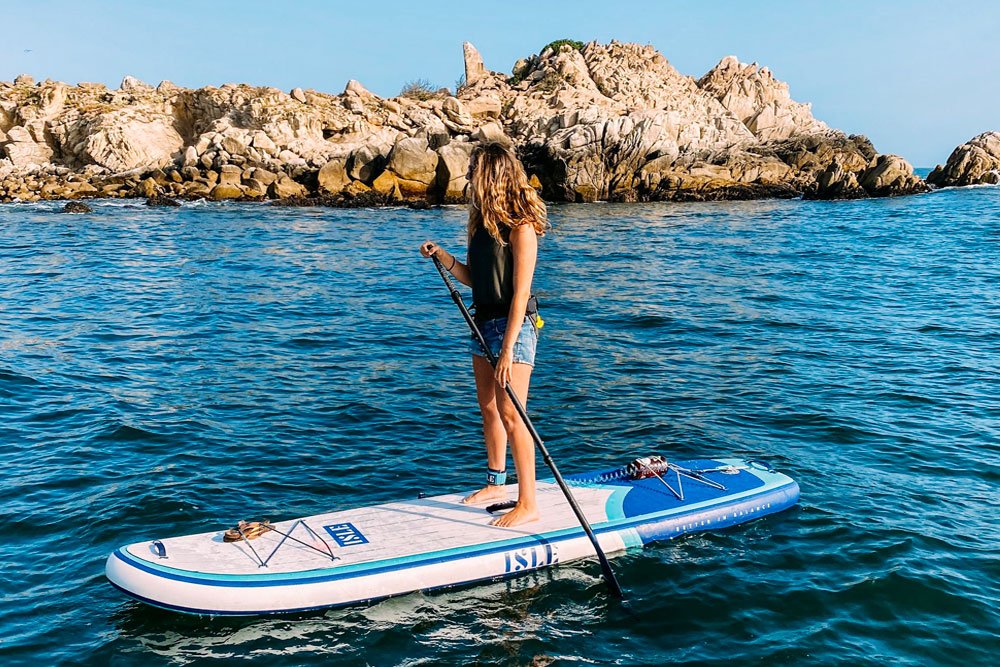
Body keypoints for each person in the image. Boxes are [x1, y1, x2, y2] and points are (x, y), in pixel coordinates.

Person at [420, 141, 548, 528]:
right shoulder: (480, 224)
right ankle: (496, 483)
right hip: (482, 324)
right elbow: (475, 280)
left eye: (475, 169)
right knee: (489, 408)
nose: (469, 176)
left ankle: (528, 503)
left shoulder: (522, 228)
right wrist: (444, 257)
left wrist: (508, 349)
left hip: (514, 328)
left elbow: (520, 294)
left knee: (513, 414)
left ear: (491, 174)